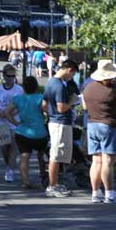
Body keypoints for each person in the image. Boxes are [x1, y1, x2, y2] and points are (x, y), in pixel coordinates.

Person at [82, 62, 116, 204]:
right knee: (107, 161)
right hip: (110, 125)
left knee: (96, 161)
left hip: (92, 124)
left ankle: (95, 192)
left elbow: (84, 106)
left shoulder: (88, 87)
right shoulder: (114, 89)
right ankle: (109, 193)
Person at [43, 60, 79, 197]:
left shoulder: (50, 82)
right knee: (56, 155)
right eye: (73, 74)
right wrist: (72, 100)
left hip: (54, 121)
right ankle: (52, 186)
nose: (72, 77)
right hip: (60, 122)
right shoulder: (59, 86)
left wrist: (51, 114)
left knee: (57, 154)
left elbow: (44, 104)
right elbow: (62, 107)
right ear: (69, 70)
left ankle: (54, 184)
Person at [4, 76, 48, 188]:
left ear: (23, 87)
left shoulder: (18, 99)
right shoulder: (40, 98)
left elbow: (7, 112)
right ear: (36, 87)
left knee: (24, 157)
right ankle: (43, 175)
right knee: (41, 155)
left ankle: (26, 181)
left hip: (23, 132)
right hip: (39, 132)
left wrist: (15, 123)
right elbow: (47, 110)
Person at [0, 64, 23, 183]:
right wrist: (1, 111)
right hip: (2, 121)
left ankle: (10, 169)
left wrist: (12, 112)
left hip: (14, 121)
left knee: (14, 146)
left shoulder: (19, 89)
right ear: (4, 75)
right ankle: (8, 164)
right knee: (5, 146)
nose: (11, 78)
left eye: (13, 76)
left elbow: (22, 104)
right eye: (9, 76)